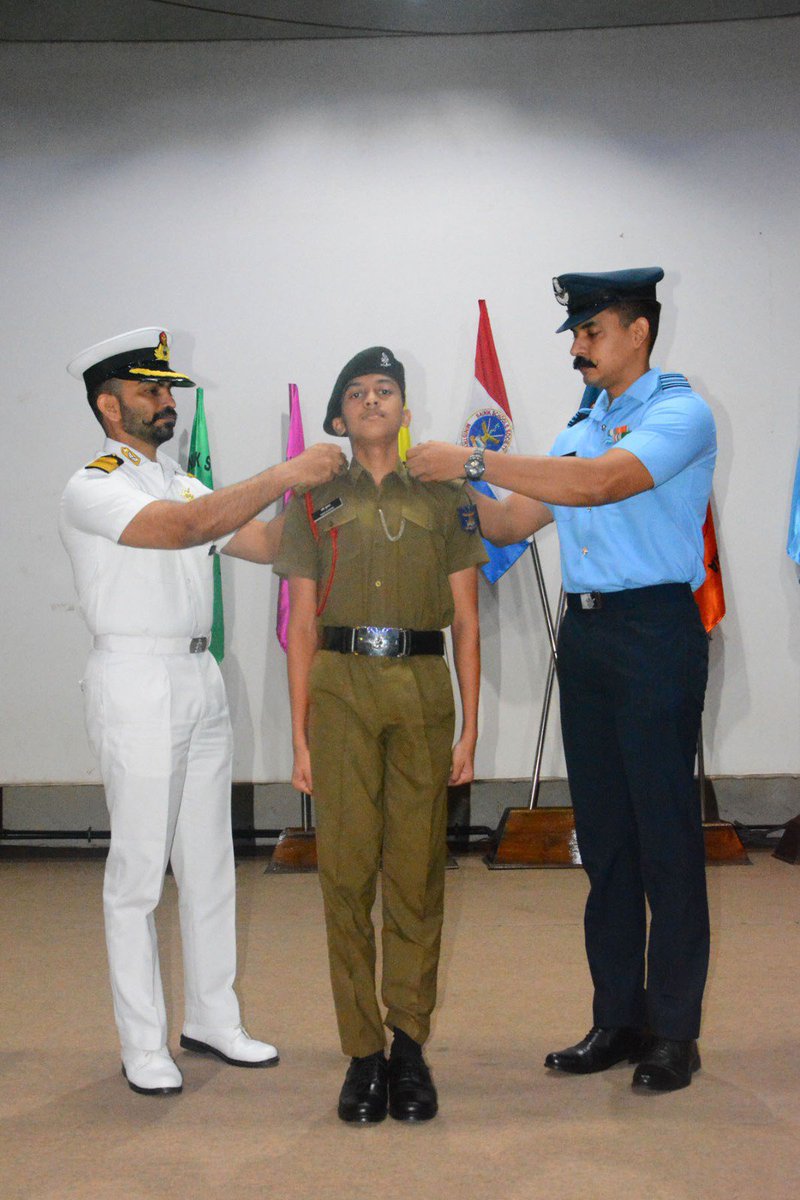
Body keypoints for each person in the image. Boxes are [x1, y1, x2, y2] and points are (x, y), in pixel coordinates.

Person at [407, 269, 716, 1093]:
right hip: (586, 638)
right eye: (574, 334)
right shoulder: (585, 423)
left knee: (665, 839)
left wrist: (475, 455)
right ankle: (618, 1017)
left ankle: (674, 1035)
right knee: (606, 839)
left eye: (592, 331)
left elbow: (601, 484)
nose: (577, 347)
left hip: (653, 632)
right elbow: (513, 519)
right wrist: (447, 494)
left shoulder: (678, 413)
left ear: (639, 332)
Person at [60, 326, 346, 1096]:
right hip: (136, 677)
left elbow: (261, 540)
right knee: (139, 872)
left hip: (196, 675)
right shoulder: (96, 484)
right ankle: (142, 1041)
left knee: (211, 862)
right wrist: (286, 467)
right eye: (151, 389)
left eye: (168, 389)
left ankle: (213, 1017)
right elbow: (184, 532)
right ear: (108, 404)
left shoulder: (178, 479)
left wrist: (339, 499)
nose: (166, 400)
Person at [274, 346, 485, 1123]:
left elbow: (466, 619)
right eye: (357, 392)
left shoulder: (444, 494)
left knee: (416, 874)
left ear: (403, 410)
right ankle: (361, 1052)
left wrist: (470, 726)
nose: (372, 400)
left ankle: (408, 1046)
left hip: (422, 691)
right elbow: (299, 626)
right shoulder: (311, 498)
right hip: (340, 690)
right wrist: (298, 737)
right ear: (337, 417)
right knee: (346, 875)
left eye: (386, 389)